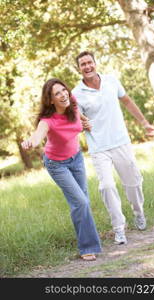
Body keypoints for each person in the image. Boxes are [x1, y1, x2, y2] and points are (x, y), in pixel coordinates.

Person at [72, 51, 154, 245]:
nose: (87, 66)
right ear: (79, 69)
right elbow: (78, 120)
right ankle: (119, 228)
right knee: (107, 186)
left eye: (89, 62)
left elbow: (126, 101)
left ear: (95, 63)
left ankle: (138, 212)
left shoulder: (111, 81)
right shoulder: (76, 94)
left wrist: (144, 123)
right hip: (98, 147)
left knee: (133, 182)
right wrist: (82, 123)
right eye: (83, 64)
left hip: (121, 142)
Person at [21, 78, 102, 261]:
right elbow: (37, 136)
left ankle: (86, 243)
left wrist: (85, 122)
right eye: (57, 94)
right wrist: (30, 142)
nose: (63, 94)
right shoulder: (48, 120)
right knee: (81, 202)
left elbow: (79, 117)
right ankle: (88, 247)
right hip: (57, 165)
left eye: (63, 90)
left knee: (81, 203)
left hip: (76, 158)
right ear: (50, 100)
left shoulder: (71, 101)